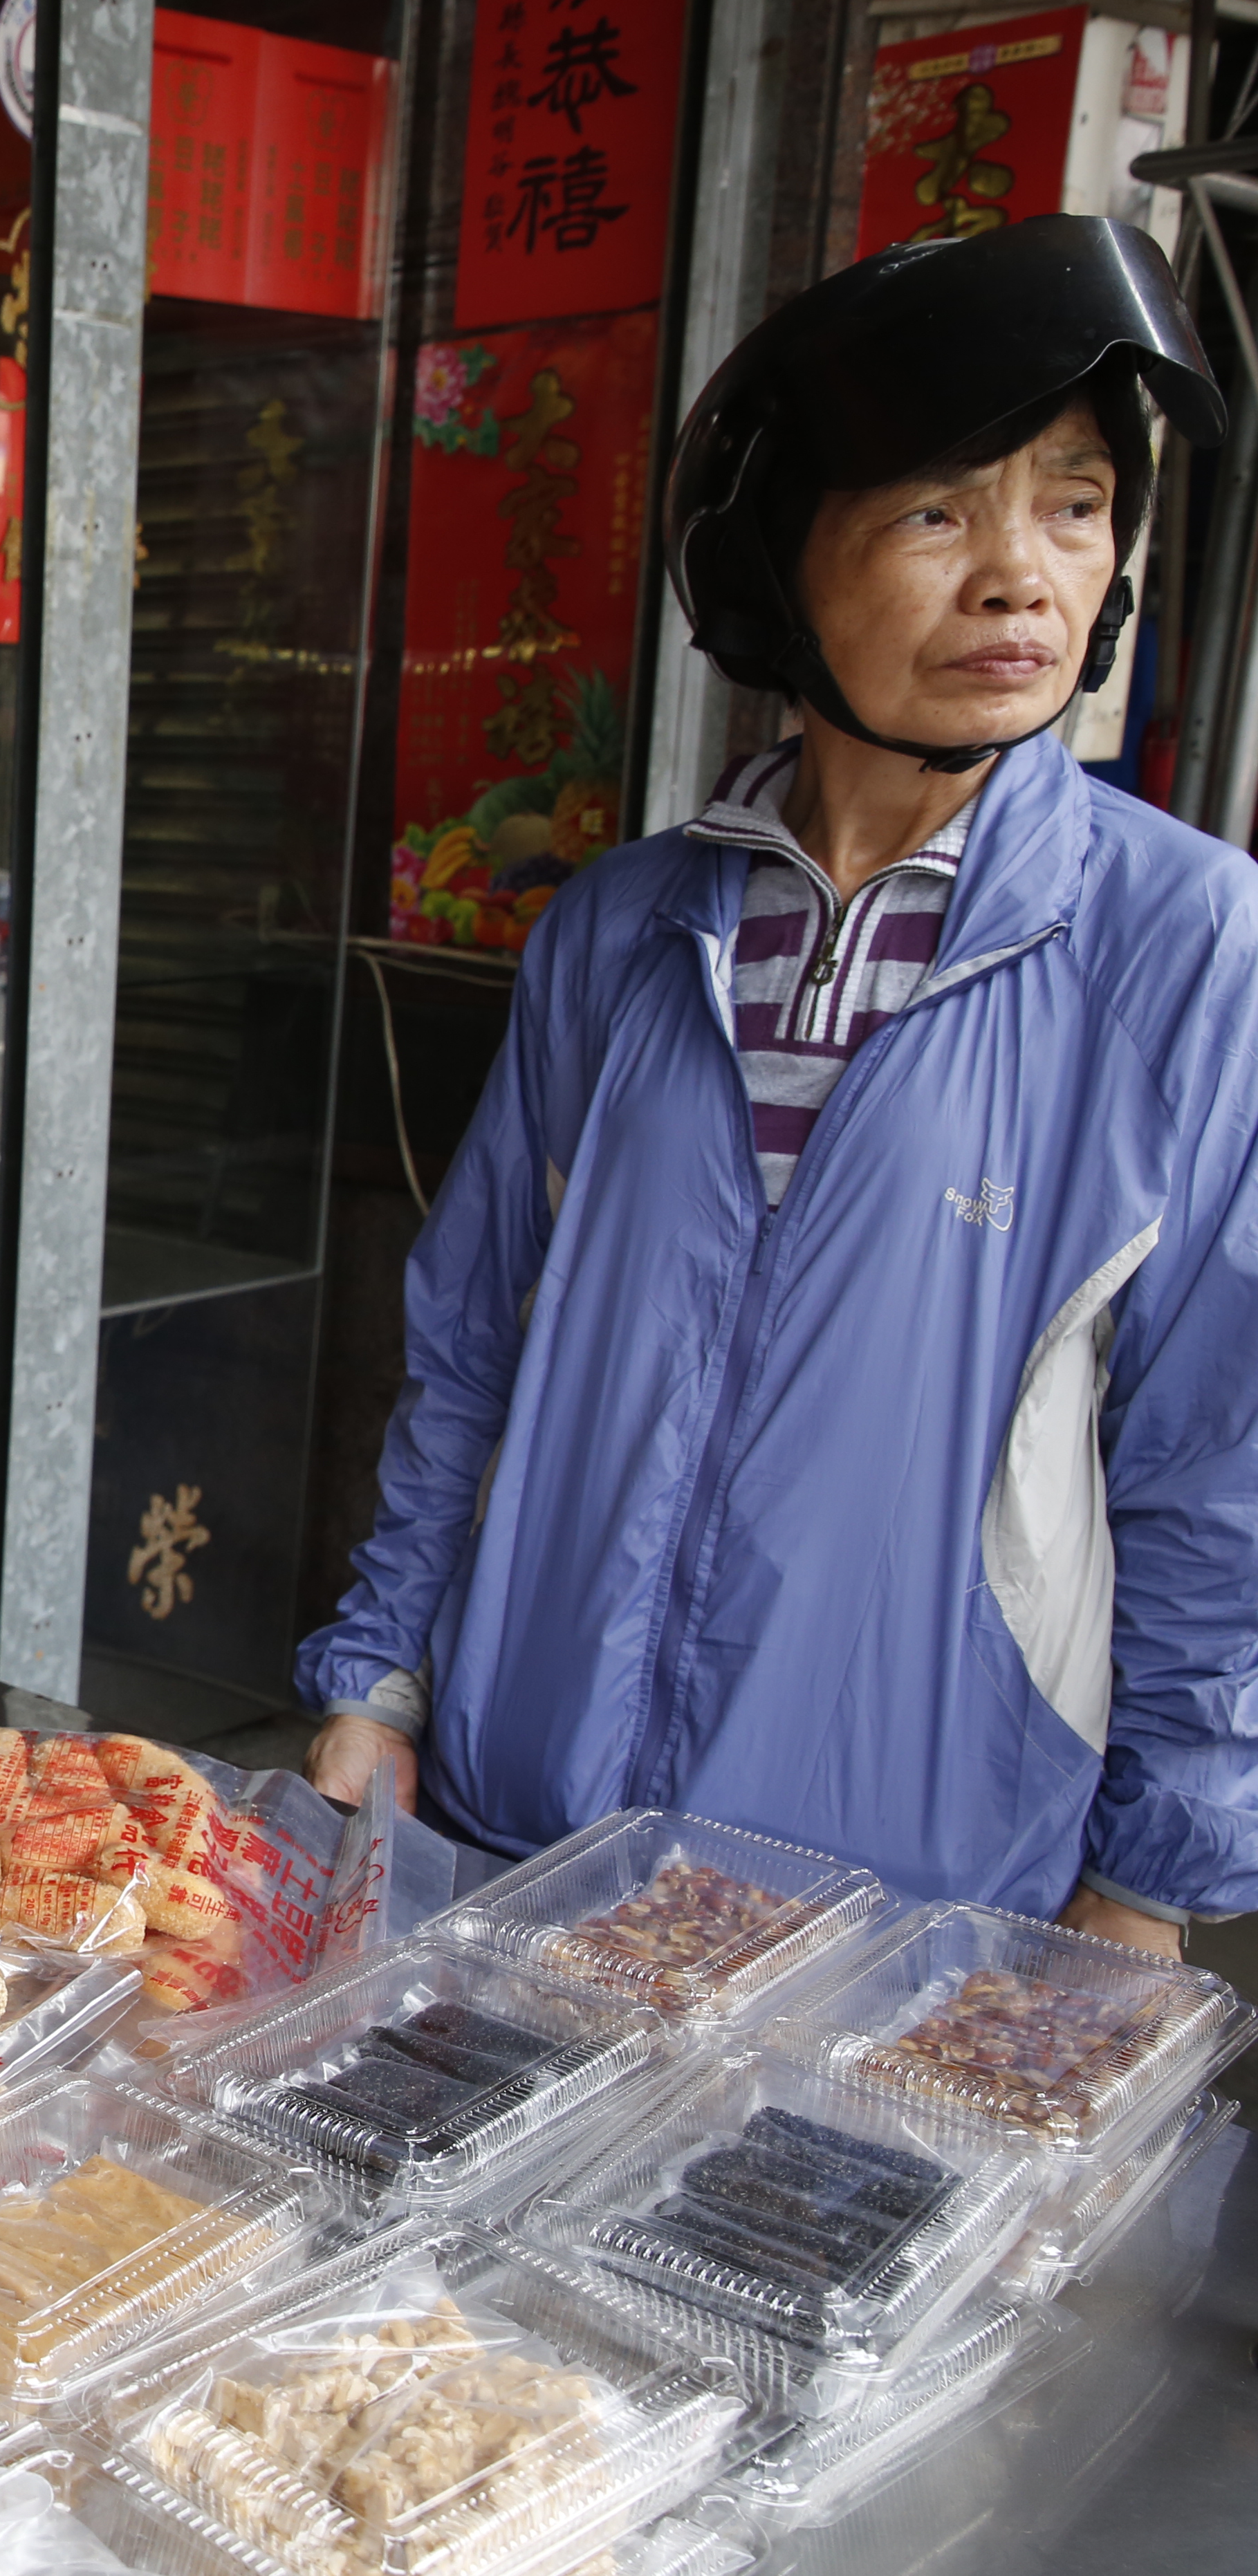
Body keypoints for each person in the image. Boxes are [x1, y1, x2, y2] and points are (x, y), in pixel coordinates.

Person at [299, 216, 1257, 1954]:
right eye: (938, 509)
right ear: (773, 561)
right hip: (532, 1834)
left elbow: (1218, 1469)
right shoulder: (619, 929)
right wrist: (383, 1672)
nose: (1024, 575)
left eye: (1077, 503)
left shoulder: (1188, 952)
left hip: (911, 1905)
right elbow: (472, 1345)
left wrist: (1149, 1891)